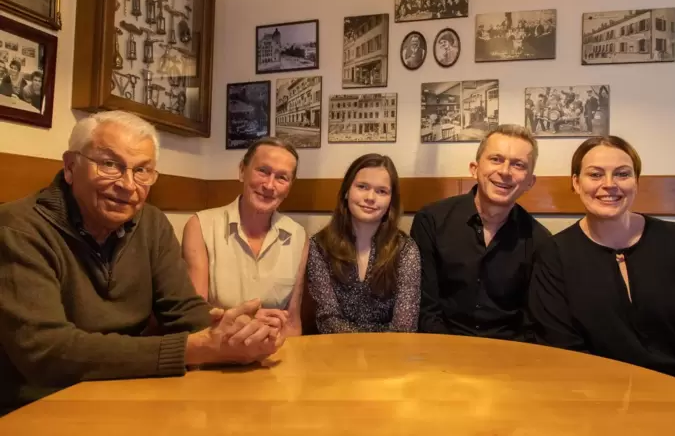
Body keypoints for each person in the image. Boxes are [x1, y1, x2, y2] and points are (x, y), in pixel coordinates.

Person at [0, 111, 286, 415]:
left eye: (142, 171)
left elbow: (184, 309)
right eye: (110, 164)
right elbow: (46, 351)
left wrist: (240, 333)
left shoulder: (151, 222)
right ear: (71, 167)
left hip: (127, 390)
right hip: (37, 405)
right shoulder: (19, 227)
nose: (127, 184)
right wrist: (196, 348)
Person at [528, 135, 675, 403]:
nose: (609, 185)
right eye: (595, 174)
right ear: (576, 183)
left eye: (622, 174)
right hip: (599, 404)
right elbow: (561, 349)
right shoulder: (554, 256)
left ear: (636, 182)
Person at [411, 124, 551, 341]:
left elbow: (531, 323)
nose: (505, 171)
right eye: (496, 159)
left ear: (530, 182)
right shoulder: (431, 221)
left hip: (507, 359)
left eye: (518, 164)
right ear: (474, 169)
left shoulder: (540, 240)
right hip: (439, 350)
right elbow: (425, 307)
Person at [182, 137, 308, 337]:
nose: (269, 185)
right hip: (218, 351)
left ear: (290, 186)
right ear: (242, 171)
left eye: (282, 177)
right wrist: (248, 321)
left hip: (273, 352)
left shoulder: (298, 235)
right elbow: (194, 316)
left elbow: (292, 321)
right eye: (263, 171)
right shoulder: (201, 226)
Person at [306, 154, 420, 333]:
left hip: (390, 354)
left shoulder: (405, 249)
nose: (370, 197)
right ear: (346, 191)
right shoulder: (320, 245)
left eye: (382, 191)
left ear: (391, 201)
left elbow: (404, 326)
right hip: (334, 351)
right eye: (362, 187)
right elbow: (327, 318)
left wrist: (370, 354)